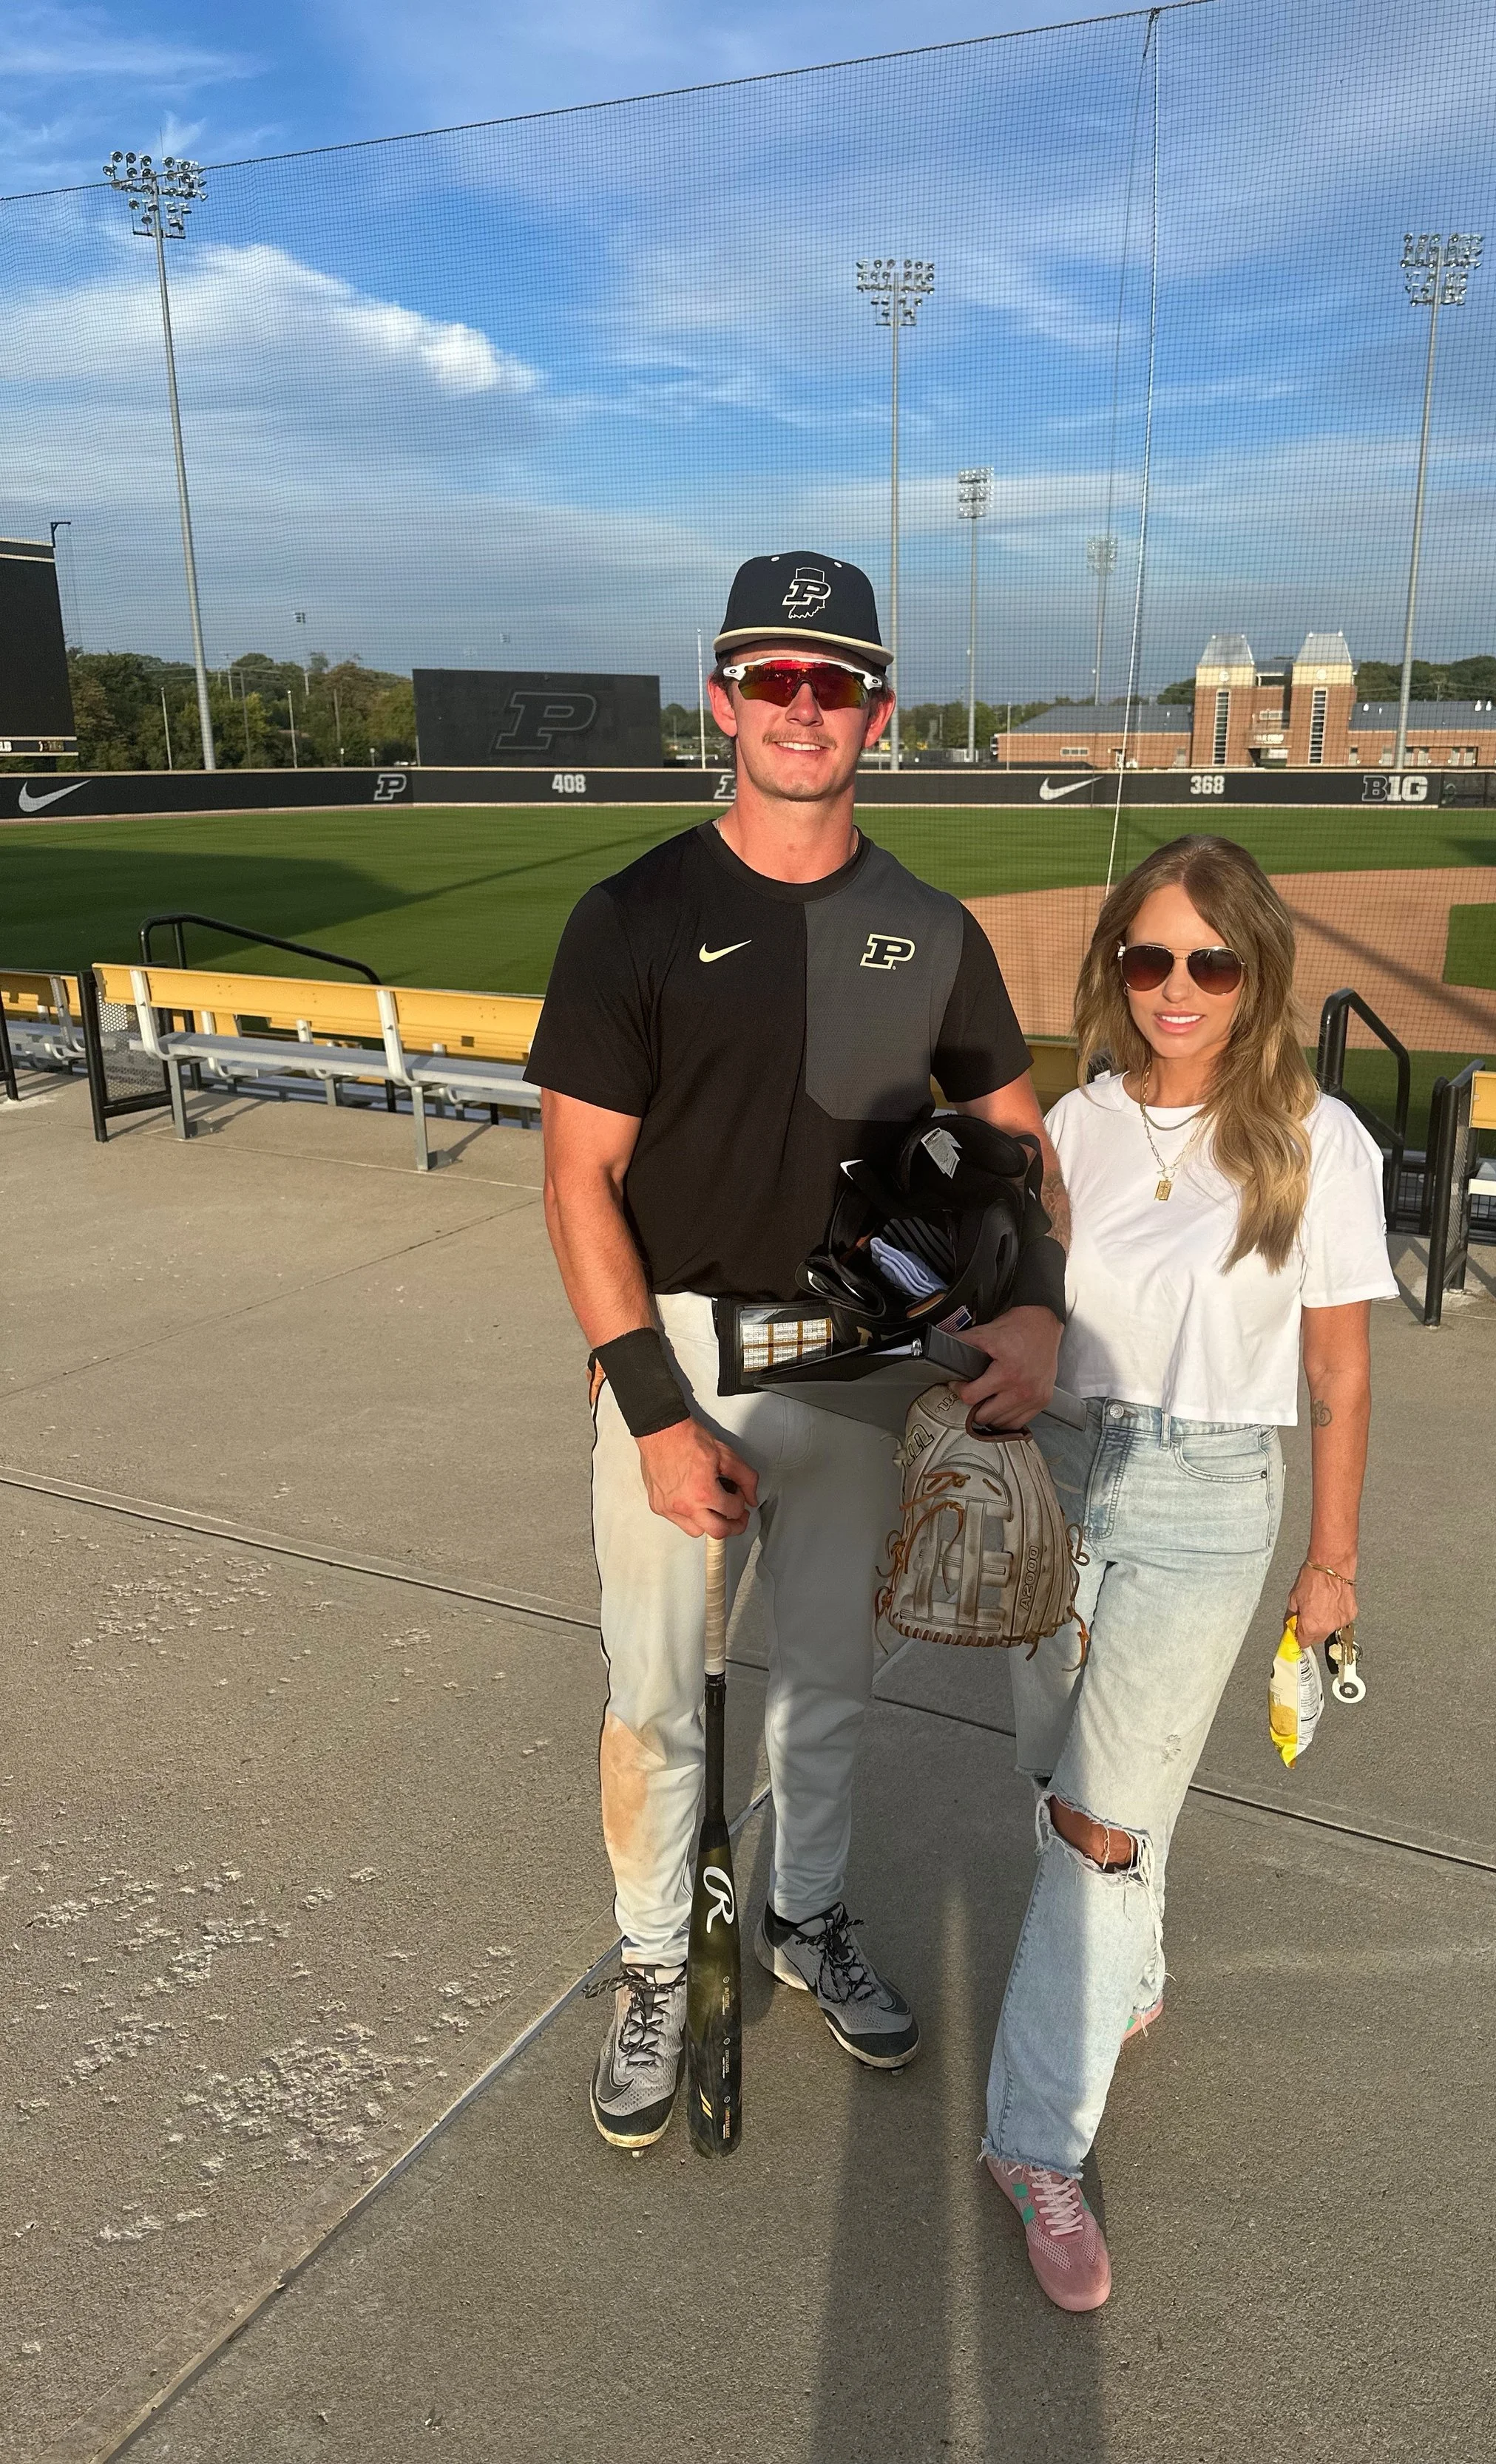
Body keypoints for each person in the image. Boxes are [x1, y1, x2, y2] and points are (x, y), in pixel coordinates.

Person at [526, 551, 1067, 2150]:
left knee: (825, 1688)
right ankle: (650, 1962)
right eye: (774, 678)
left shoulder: (928, 925)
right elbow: (574, 1181)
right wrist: (650, 1410)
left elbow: (1016, 1144)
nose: (804, 707)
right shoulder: (632, 914)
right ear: (724, 699)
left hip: (860, 1365)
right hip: (680, 1356)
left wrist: (1030, 1301)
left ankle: (805, 1917)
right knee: (654, 1694)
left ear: (878, 713)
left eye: (834, 684)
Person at [981, 833, 1397, 2309]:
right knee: (1063, 1783)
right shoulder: (1069, 1129)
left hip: (1214, 1493)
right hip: (1060, 1471)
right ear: (1113, 966)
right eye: (1148, 957)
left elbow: (1337, 1371)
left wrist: (1329, 1562)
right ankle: (1129, 1977)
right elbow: (1013, 1303)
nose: (1176, 988)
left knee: (1096, 1825)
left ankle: (1034, 2140)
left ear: (1253, 975)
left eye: (1209, 962)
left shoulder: (1312, 1138)